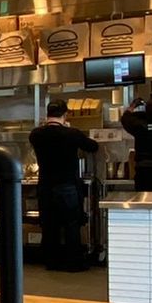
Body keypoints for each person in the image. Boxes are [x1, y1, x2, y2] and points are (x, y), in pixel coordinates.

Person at [30, 100, 99, 270]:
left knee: (49, 225)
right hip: (67, 186)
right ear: (65, 114)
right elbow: (93, 146)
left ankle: (51, 262)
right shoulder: (71, 133)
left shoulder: (36, 134)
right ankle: (73, 263)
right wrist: (69, 129)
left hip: (45, 186)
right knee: (71, 224)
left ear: (47, 114)